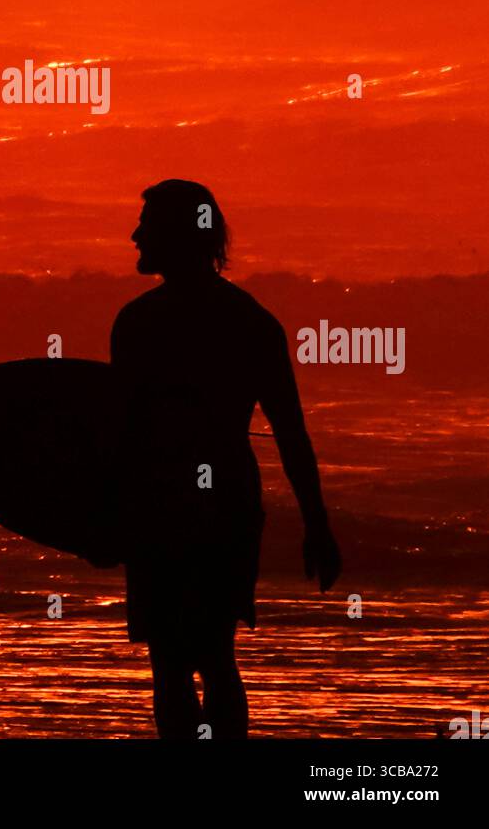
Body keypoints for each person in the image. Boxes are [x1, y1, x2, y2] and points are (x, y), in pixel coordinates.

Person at [108, 179, 341, 740]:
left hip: (166, 507)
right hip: (225, 504)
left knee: (171, 662)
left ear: (179, 234)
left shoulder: (138, 323)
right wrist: (317, 525)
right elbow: (291, 434)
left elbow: (120, 438)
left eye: (148, 224)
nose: (135, 234)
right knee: (214, 654)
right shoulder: (251, 322)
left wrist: (106, 520)